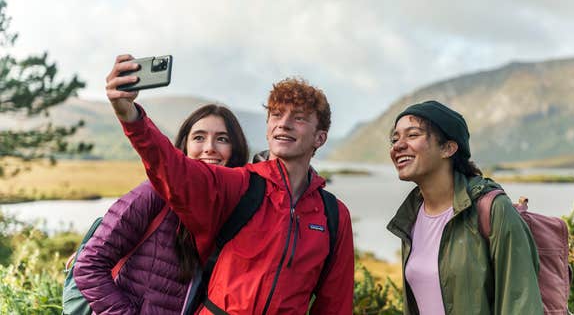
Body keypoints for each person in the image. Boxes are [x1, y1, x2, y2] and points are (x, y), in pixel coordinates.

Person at [105, 54, 354, 315]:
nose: (284, 123)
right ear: (268, 128)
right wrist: (130, 116)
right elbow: (172, 167)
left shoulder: (334, 216)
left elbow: (334, 305)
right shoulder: (241, 185)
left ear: (320, 137)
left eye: (299, 118)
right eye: (277, 114)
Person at [73, 103, 250, 314]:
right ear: (183, 147)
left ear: (235, 150)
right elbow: (88, 265)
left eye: (222, 139)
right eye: (199, 138)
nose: (210, 147)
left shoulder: (237, 213)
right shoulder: (154, 193)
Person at [386, 100, 544, 314]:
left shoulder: (493, 209)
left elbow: (520, 305)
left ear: (448, 148)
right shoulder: (410, 218)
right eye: (395, 139)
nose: (397, 146)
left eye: (412, 135)